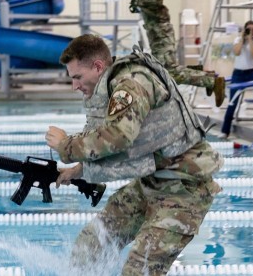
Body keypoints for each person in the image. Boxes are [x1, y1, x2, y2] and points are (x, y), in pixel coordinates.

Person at [45, 34, 223, 275]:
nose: (75, 86)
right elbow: (137, 146)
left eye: (77, 77)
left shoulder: (131, 84)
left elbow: (119, 136)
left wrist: (66, 146)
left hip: (183, 189)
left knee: (138, 271)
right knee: (89, 246)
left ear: (98, 67)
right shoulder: (114, 83)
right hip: (151, 181)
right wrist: (79, 170)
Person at [129, 0, 226, 107]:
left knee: (167, 72)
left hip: (161, 32)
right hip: (159, 31)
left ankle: (211, 81)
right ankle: (204, 75)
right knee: (163, 71)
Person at [219, 21, 253, 139]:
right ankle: (225, 131)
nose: (252, 32)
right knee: (232, 102)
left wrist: (250, 41)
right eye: (250, 29)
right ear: (245, 30)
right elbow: (237, 52)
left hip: (252, 74)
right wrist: (243, 39)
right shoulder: (238, 40)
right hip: (238, 74)